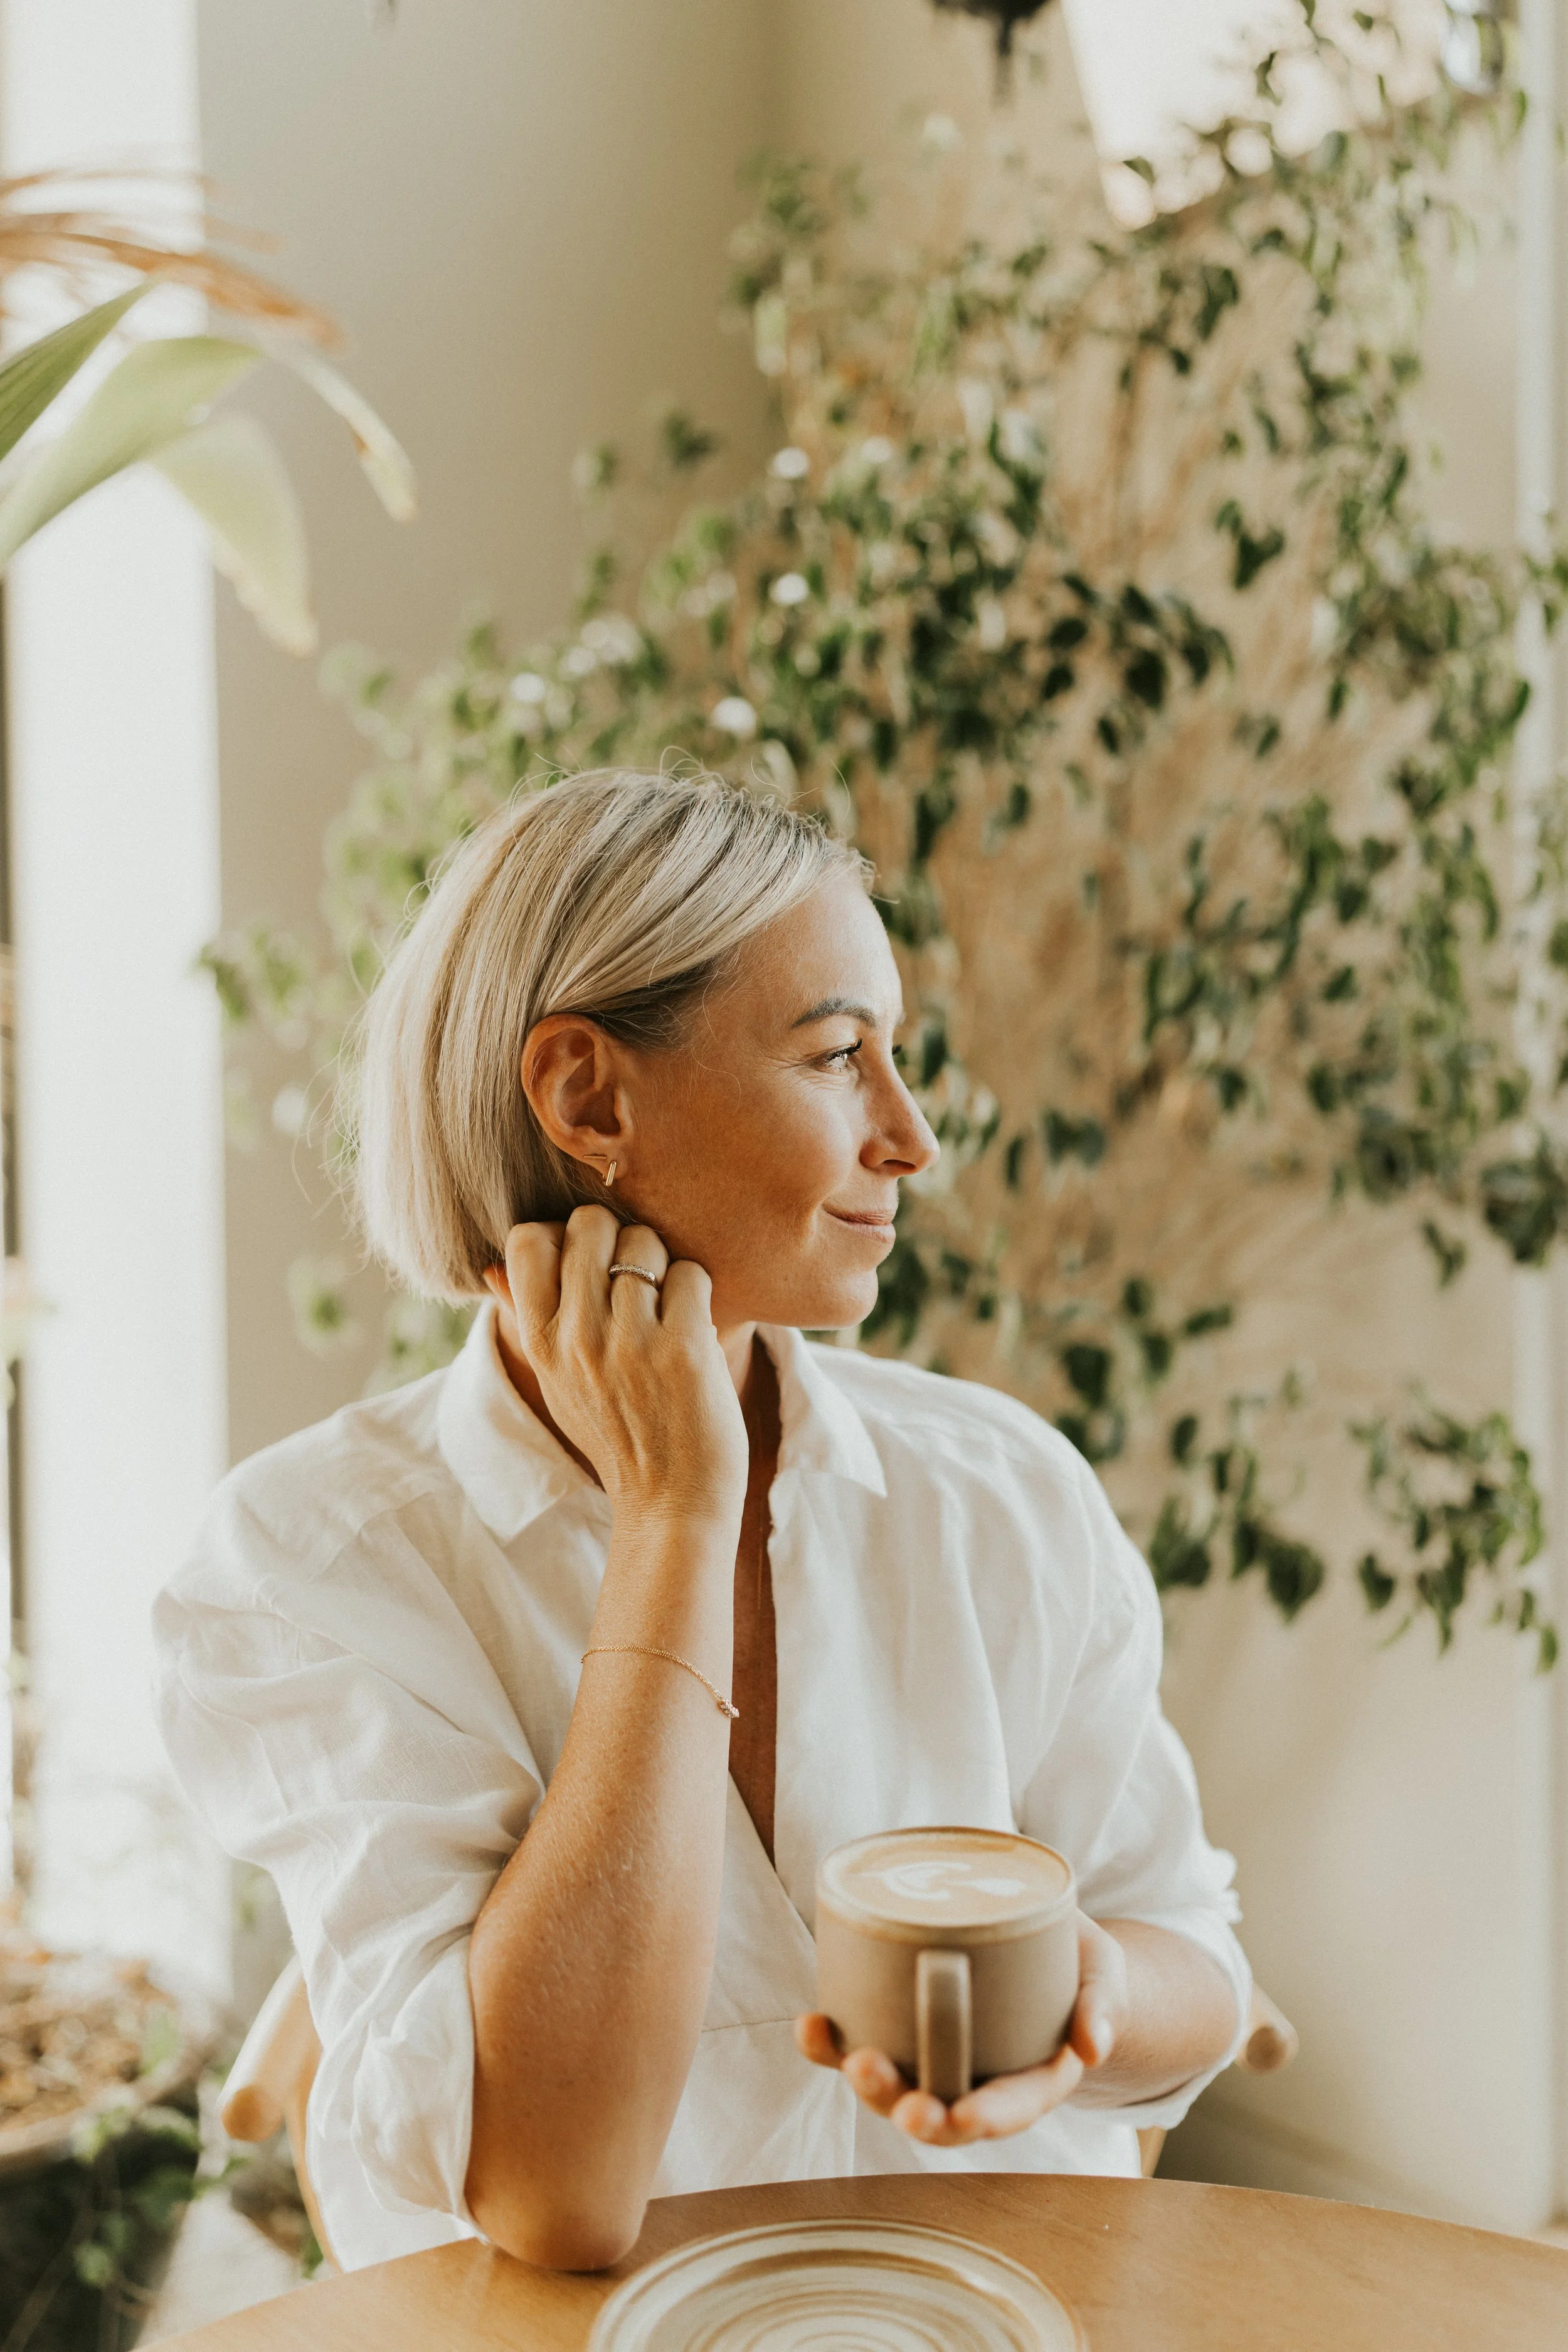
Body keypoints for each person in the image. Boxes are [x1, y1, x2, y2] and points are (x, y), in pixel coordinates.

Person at [154, 768, 1249, 2275]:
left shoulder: (996, 1494)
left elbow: (1193, 1952)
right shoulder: (307, 1567)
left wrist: (1078, 1995)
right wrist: (674, 1516)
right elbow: (558, 2189)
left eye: (898, 1058)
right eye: (835, 1056)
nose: (911, 1137)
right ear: (590, 1097)